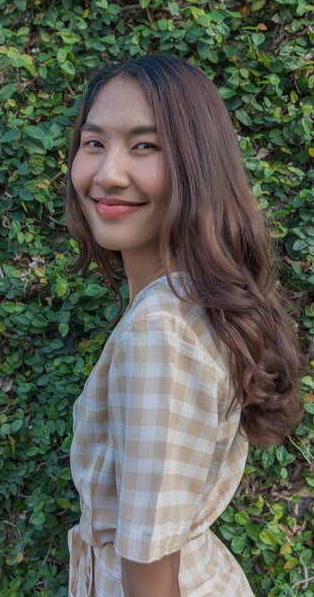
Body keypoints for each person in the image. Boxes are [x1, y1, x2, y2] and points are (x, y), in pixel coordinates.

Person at [64, 55, 304, 597]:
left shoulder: (159, 331)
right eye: (94, 142)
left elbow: (149, 564)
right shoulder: (185, 302)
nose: (107, 174)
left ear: (196, 165)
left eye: (145, 146)